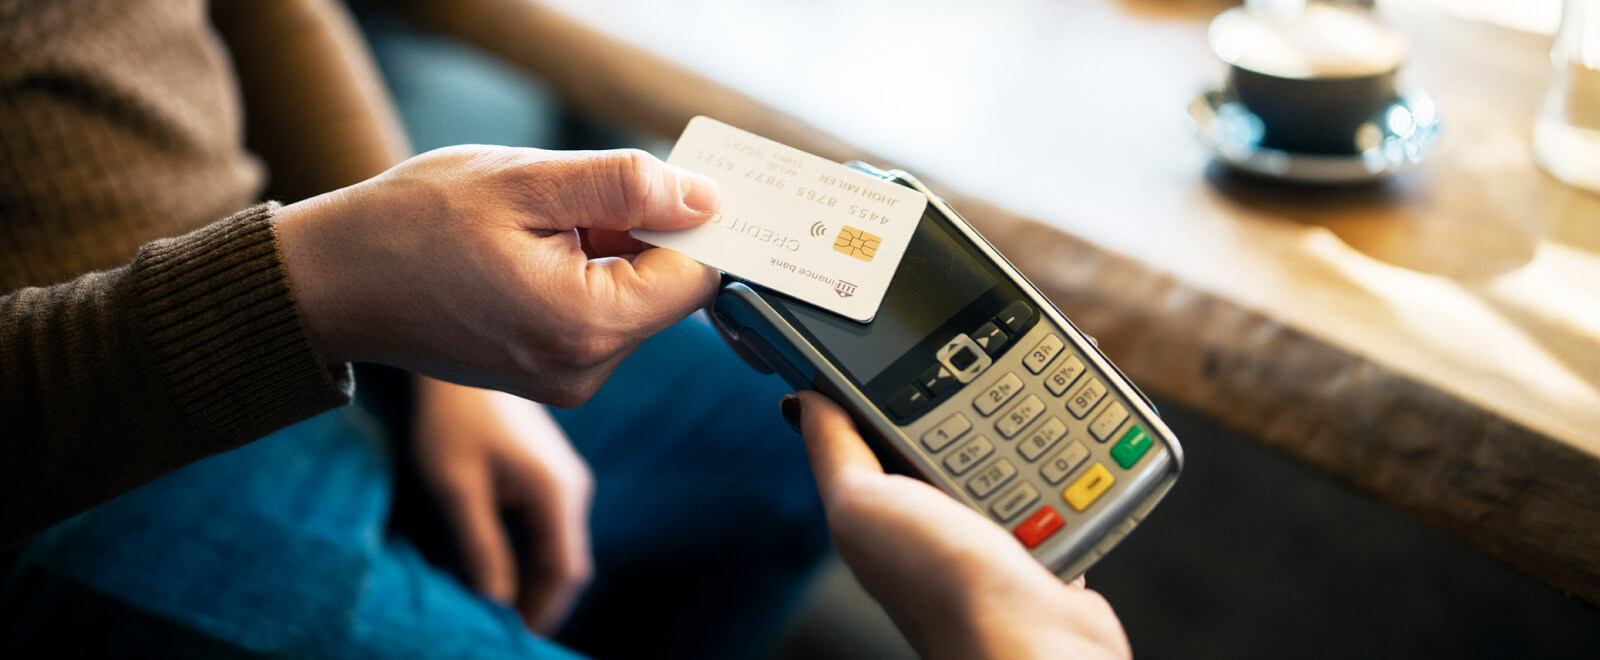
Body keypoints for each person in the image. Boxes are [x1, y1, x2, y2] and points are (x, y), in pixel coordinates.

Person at [0, 1, 1132, 657]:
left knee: (774, 463)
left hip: (283, 266)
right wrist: (319, 287)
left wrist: (449, 366)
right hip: (79, 454)